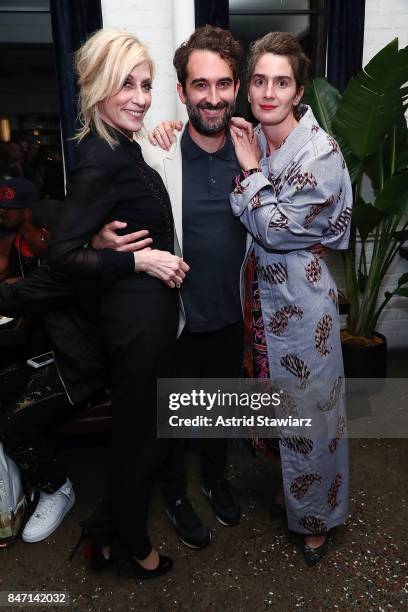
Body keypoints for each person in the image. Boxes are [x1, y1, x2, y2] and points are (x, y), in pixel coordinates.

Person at [47, 29, 189, 579]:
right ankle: (134, 546)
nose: (139, 96)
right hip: (132, 321)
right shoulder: (97, 158)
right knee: (137, 440)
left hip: (147, 320)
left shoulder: (121, 146)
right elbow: (60, 257)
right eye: (124, 84)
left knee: (145, 430)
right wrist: (140, 261)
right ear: (96, 87)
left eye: (145, 84)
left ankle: (103, 536)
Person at [228, 32, 352, 566]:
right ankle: (289, 487)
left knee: (312, 410)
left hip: (302, 305)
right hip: (260, 298)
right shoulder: (252, 134)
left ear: (299, 89)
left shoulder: (320, 150)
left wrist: (251, 174)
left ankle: (317, 518)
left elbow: (276, 227)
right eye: (259, 81)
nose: (268, 91)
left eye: (281, 82)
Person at [124, 26, 246, 549]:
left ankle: (216, 479)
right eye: (200, 85)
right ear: (182, 91)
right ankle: (175, 495)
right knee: (174, 418)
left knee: (220, 409)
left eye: (222, 84)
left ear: (236, 87)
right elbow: (125, 221)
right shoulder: (159, 154)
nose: (212, 97)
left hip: (232, 314)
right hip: (175, 319)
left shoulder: (253, 147)